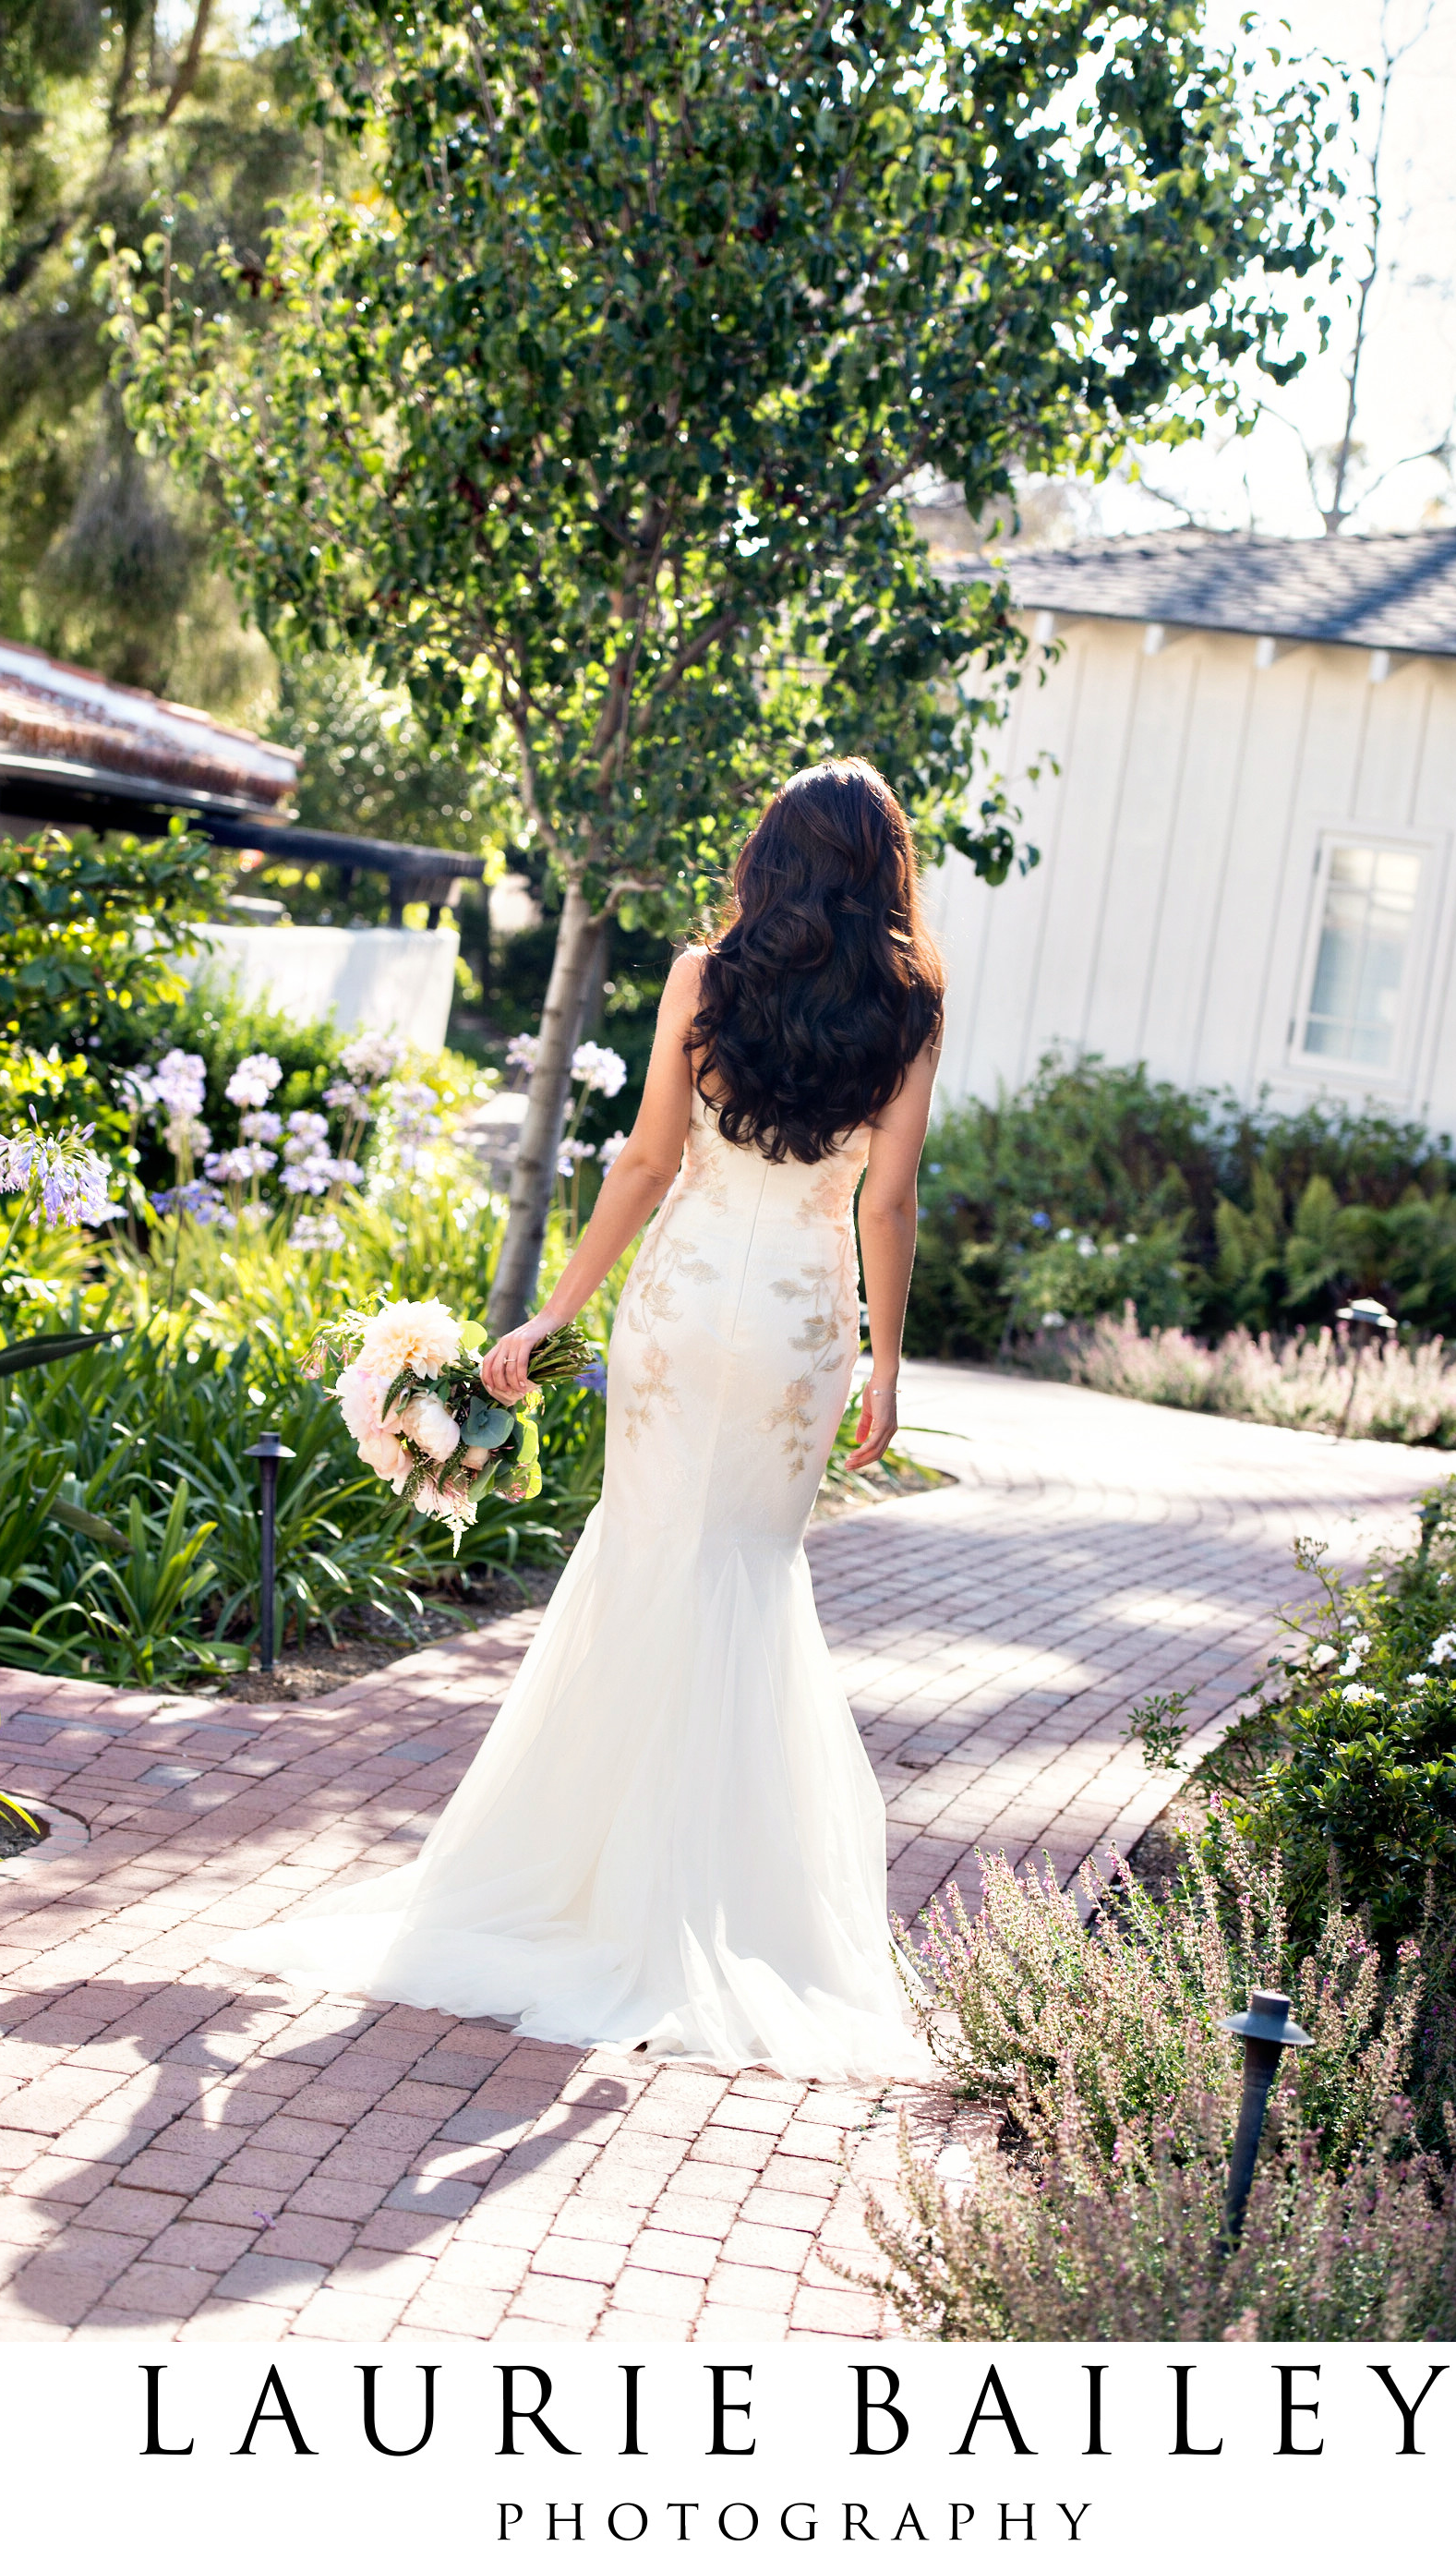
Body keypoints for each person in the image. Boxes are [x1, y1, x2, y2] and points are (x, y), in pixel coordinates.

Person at [228, 757, 942, 2077]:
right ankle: (716, 1912)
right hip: (797, 1324)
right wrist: (888, 1365)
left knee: (647, 1555)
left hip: (677, 1313)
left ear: (772, 861)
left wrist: (556, 1312)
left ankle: (598, 1886)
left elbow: (647, 1162)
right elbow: (884, 1205)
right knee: (746, 1574)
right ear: (883, 867)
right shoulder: (910, 1006)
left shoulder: (704, 979)